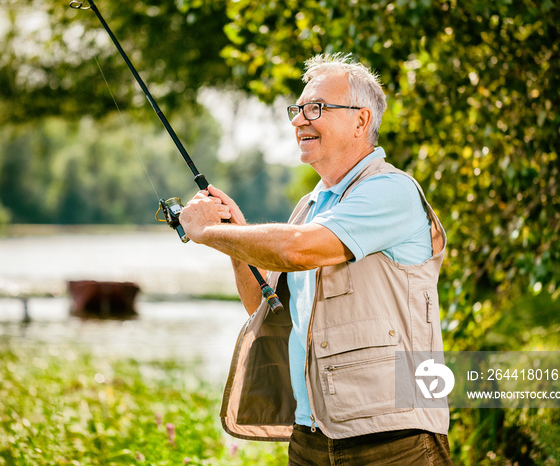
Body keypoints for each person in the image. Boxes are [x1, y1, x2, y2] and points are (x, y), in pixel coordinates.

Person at [179, 53, 452, 465]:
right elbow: (264, 305)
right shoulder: (311, 208)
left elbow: (296, 249)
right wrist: (234, 235)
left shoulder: (390, 191)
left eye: (316, 108)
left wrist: (206, 231)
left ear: (361, 121)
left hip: (392, 440)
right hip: (310, 437)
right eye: (298, 109)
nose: (298, 121)